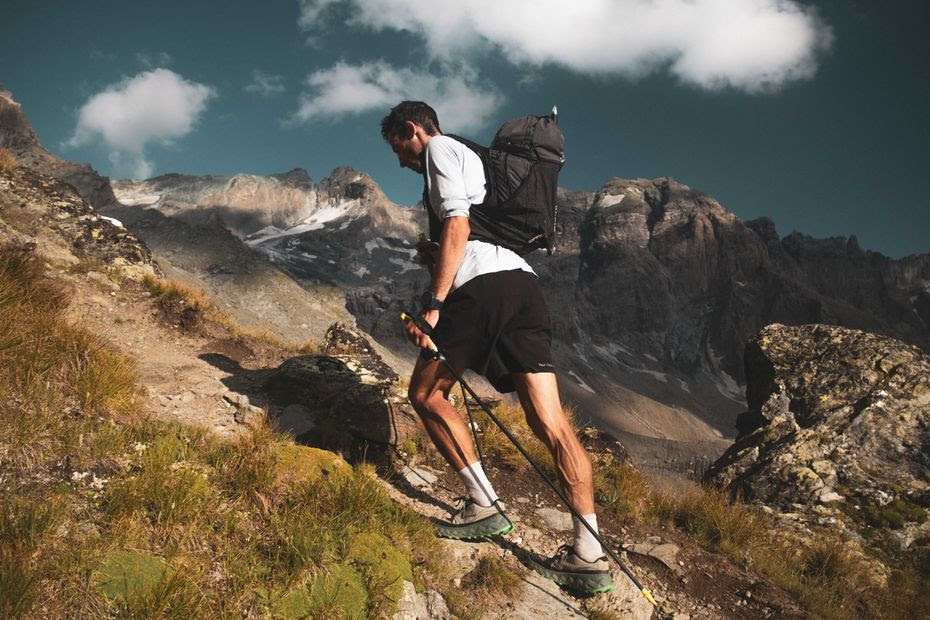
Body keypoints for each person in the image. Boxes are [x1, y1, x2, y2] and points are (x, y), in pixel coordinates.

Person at [381, 101, 613, 593]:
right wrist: (435, 255)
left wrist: (434, 303)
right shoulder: (477, 159)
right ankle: (589, 554)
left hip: (481, 290)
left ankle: (483, 503)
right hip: (523, 288)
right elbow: (468, 234)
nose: (399, 159)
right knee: (550, 422)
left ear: (411, 129)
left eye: (397, 146)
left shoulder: (440, 150)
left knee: (425, 394)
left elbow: (460, 226)